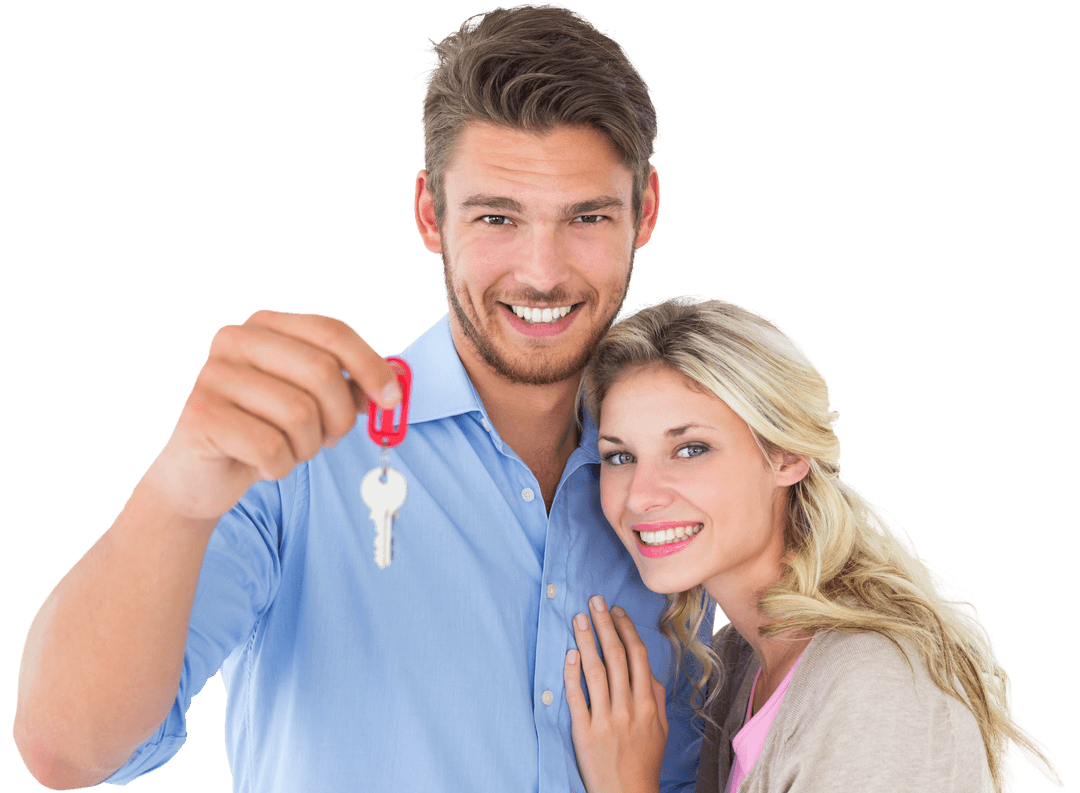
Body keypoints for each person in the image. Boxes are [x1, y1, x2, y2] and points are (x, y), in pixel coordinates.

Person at [13, 5, 710, 791]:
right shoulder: (298, 452)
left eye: (587, 216)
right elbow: (66, 750)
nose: (542, 272)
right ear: (430, 215)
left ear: (645, 210)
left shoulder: (695, 488)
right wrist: (176, 489)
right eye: (496, 216)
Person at [563, 295, 1064, 793]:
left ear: (786, 455)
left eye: (691, 449)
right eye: (620, 457)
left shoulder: (875, 685)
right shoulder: (741, 660)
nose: (641, 496)